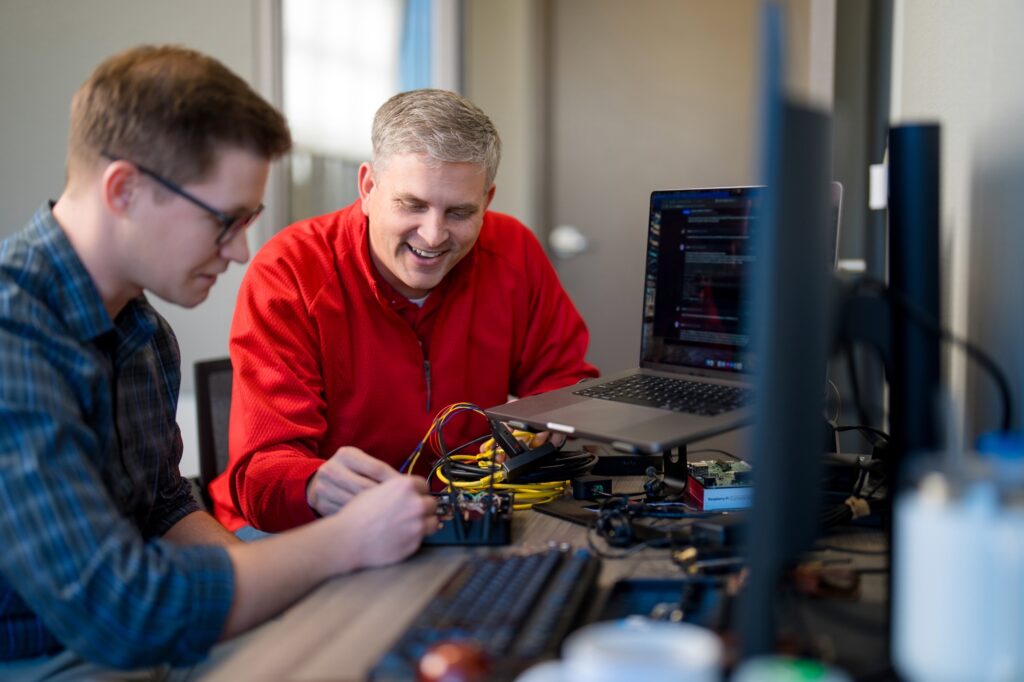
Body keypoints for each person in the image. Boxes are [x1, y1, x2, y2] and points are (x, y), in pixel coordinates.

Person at [0, 45, 437, 679]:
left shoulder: (143, 332)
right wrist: (346, 541)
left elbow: (164, 507)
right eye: (226, 221)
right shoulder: (13, 334)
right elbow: (121, 611)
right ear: (124, 190)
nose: (241, 250)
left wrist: (281, 610)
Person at [209, 88, 598, 532]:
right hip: (308, 525)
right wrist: (314, 483)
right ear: (368, 187)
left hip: (460, 508)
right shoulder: (289, 272)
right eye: (412, 205)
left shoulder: (513, 251)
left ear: (487, 202)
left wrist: (550, 425)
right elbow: (263, 477)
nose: (433, 236)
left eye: (459, 212)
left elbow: (565, 385)